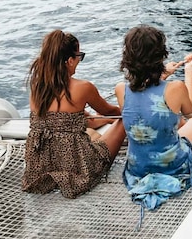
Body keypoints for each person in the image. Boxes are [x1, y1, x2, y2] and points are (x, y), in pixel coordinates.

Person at [22, 30, 126, 198]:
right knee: (126, 120)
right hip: (77, 167)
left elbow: (63, 121)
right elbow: (114, 112)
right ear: (69, 60)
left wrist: (101, 119)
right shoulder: (83, 87)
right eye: (79, 56)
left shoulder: (37, 85)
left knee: (92, 127)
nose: (79, 60)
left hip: (40, 168)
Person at [115, 25, 192, 210]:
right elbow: (190, 112)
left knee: (165, 118)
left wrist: (164, 73)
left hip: (137, 169)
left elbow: (146, 98)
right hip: (172, 167)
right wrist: (189, 70)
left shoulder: (120, 89)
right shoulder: (175, 88)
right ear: (160, 55)